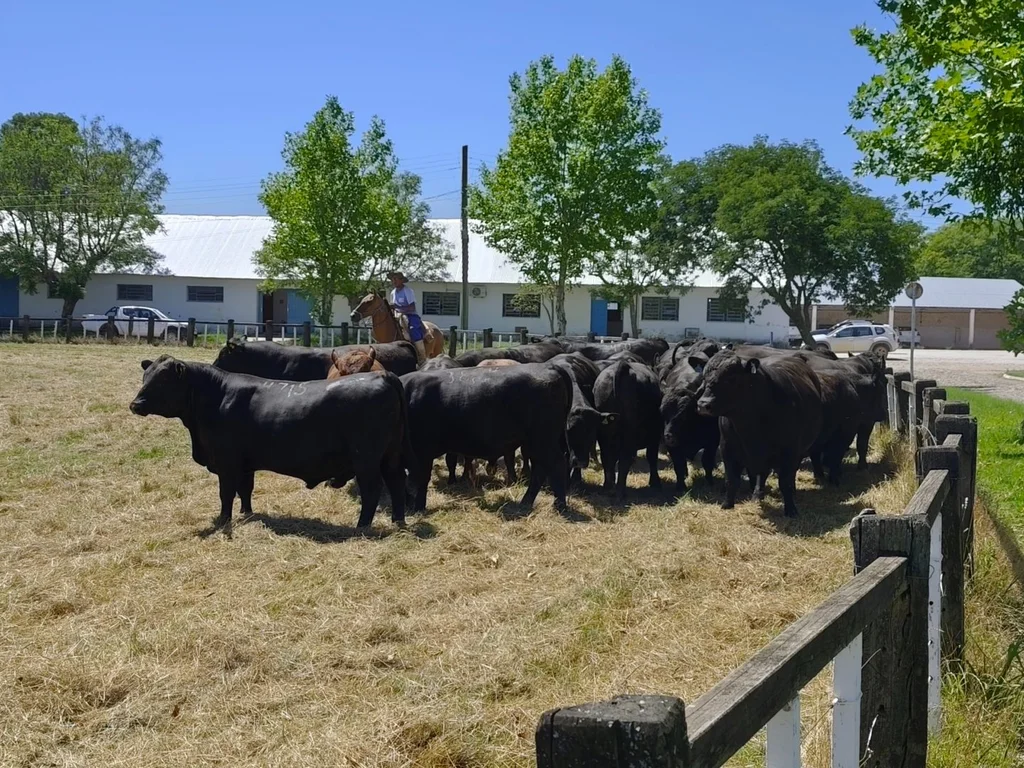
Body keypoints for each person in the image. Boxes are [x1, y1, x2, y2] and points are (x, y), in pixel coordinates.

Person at [388, 271, 427, 363]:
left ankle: (422, 357)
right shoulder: (393, 293)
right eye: (392, 279)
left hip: (410, 315)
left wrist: (398, 308)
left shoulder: (408, 291)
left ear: (401, 280)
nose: (394, 281)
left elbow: (412, 307)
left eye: (395, 279)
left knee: (414, 330)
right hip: (396, 315)